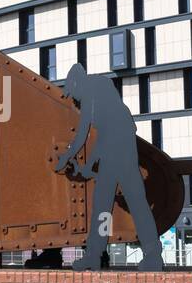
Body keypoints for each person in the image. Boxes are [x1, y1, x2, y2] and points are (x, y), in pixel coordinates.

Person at [54, 63, 162, 271]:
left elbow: (83, 132)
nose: (73, 98)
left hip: (120, 146)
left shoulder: (94, 88)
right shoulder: (96, 90)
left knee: (127, 201)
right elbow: (102, 136)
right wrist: (88, 164)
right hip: (116, 145)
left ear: (77, 83)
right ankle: (99, 254)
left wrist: (68, 157)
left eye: (72, 92)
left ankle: (149, 254)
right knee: (109, 204)